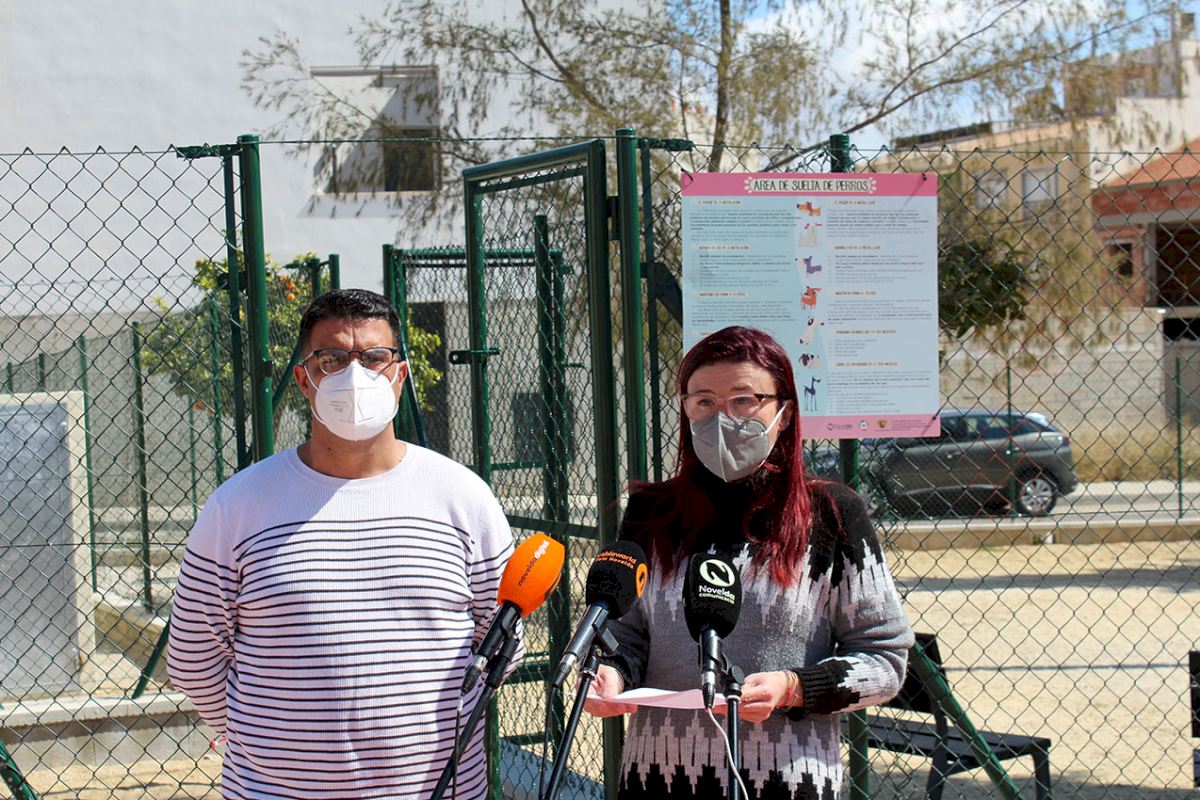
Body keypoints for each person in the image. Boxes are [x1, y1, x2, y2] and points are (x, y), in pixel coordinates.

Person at [167, 289, 518, 800]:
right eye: (331, 359)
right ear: (303, 380)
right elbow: (194, 656)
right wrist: (261, 741)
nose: (355, 376)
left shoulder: (463, 498)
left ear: (400, 375)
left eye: (374, 358)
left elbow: (503, 639)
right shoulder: (239, 506)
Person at [585, 325, 912, 800]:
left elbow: (885, 659)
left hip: (787, 783)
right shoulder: (650, 513)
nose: (723, 418)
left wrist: (794, 688)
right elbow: (626, 635)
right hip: (657, 778)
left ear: (784, 412)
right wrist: (611, 673)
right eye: (704, 402)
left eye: (744, 400)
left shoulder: (833, 515)